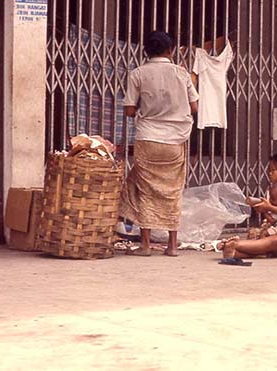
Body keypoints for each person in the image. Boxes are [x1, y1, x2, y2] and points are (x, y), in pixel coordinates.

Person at [120, 30, 199, 257]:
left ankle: (145, 245)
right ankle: (172, 246)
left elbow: (129, 110)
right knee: (173, 191)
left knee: (146, 190)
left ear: (146, 51)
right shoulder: (182, 73)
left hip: (148, 138)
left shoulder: (138, 74)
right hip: (175, 140)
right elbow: (194, 107)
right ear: (170, 50)